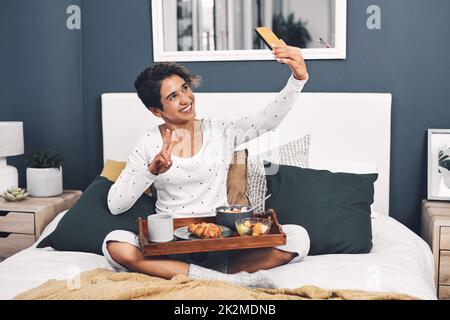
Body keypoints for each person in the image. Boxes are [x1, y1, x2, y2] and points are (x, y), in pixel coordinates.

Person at [102, 41, 310, 288]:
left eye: (185, 88)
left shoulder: (218, 130)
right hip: (169, 248)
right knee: (114, 244)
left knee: (298, 237)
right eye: (173, 96)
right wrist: (150, 172)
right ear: (156, 110)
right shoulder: (148, 142)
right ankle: (228, 281)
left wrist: (298, 79)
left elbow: (266, 121)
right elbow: (116, 205)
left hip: (221, 244)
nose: (185, 99)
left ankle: (199, 275)